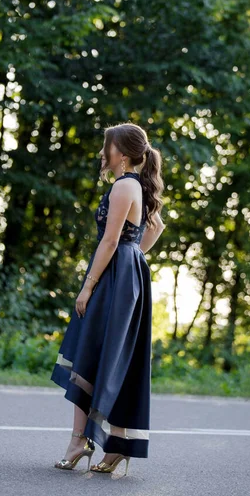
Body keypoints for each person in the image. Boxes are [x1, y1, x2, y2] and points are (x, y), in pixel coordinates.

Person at [51, 121, 166, 475]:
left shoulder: (123, 187)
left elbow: (110, 241)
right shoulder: (139, 186)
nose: (104, 153)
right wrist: (137, 259)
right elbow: (156, 227)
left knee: (89, 353)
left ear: (124, 155)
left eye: (108, 148)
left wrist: (88, 285)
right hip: (129, 274)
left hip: (114, 277)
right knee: (112, 358)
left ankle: (78, 441)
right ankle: (115, 447)